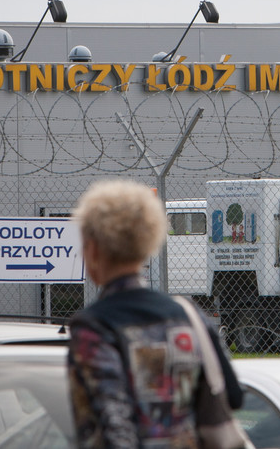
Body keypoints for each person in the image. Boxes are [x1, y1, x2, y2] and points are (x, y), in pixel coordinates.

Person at [68, 179, 243, 447]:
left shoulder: (94, 327)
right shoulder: (187, 315)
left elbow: (113, 429)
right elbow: (233, 396)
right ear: (147, 242)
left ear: (93, 249)